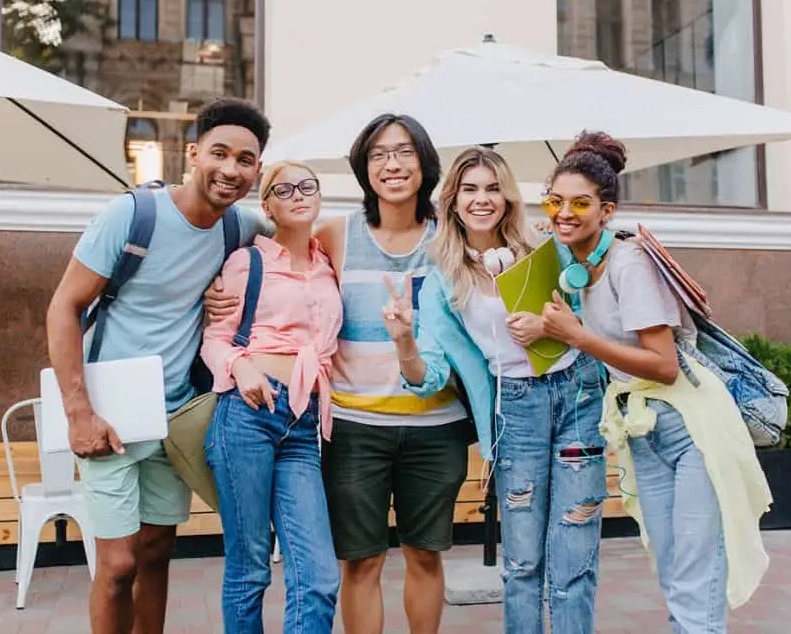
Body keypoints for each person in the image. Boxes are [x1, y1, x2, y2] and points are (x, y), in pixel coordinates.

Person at [45, 97, 272, 634]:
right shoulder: (131, 215)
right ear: (193, 153)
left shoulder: (237, 227)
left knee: (155, 551)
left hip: (175, 417)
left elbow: (297, 236)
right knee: (118, 563)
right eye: (219, 153)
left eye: (246, 160)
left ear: (256, 170)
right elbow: (63, 307)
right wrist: (79, 413)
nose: (231, 169)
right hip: (109, 417)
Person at [539, 132, 772, 633]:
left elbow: (663, 363)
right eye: (554, 200)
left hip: (691, 426)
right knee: (672, 570)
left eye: (580, 202)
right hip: (642, 429)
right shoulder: (584, 264)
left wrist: (577, 337)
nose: (564, 212)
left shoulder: (630, 262)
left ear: (607, 211)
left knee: (695, 576)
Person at [380, 146, 608, 634]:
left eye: (492, 188)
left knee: (574, 554)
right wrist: (404, 343)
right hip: (516, 411)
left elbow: (592, 312)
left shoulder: (546, 245)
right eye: (469, 189)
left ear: (507, 196)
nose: (482, 199)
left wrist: (549, 325)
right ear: (453, 200)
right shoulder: (443, 276)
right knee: (523, 562)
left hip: (576, 397)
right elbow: (431, 374)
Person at [318, 114, 472, 634]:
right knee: (361, 562)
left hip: (437, 428)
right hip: (354, 428)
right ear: (365, 168)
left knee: (424, 555)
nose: (392, 164)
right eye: (379, 154)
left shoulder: (450, 240)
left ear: (424, 163)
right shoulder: (337, 234)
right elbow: (281, 270)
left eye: (404, 152)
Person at [200, 161, 342, 633]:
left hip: (302, 425)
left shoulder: (328, 265)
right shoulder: (248, 262)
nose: (299, 194)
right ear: (268, 205)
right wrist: (241, 369)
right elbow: (216, 338)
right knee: (251, 567)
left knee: (318, 574)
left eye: (309, 185)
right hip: (248, 415)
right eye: (285, 189)